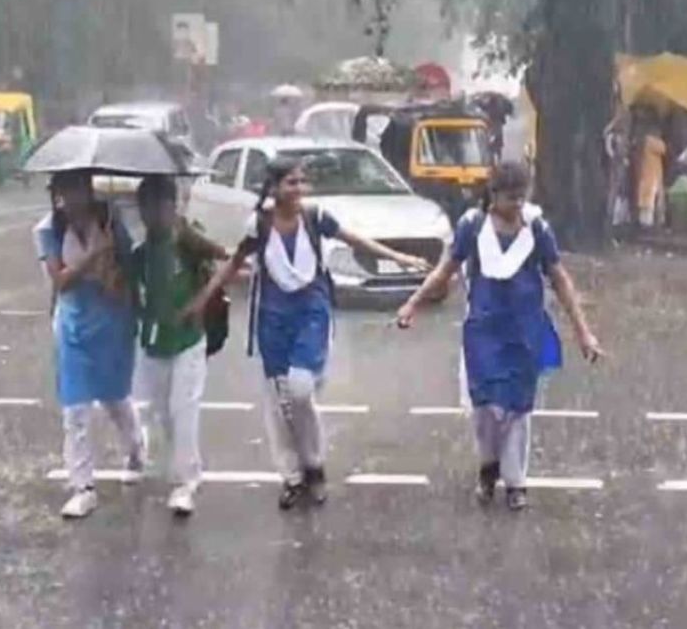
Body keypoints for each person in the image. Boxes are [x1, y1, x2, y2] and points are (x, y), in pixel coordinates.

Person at [184, 156, 431, 510]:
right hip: (272, 322)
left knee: (300, 391)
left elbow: (355, 239)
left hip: (310, 314)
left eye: (302, 182)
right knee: (278, 403)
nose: (299, 189)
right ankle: (292, 477)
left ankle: (314, 464)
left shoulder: (315, 218)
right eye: (291, 183)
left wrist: (399, 257)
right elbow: (234, 265)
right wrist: (201, 301)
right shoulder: (259, 224)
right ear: (273, 188)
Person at [396, 164, 603, 511]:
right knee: (486, 408)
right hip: (484, 332)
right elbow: (445, 270)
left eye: (523, 197)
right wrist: (412, 303)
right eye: (511, 198)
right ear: (493, 195)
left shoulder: (537, 229)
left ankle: (516, 481)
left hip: (524, 331)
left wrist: (583, 331)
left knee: (518, 408)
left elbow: (560, 278)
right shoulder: (472, 227)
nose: (518, 204)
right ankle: (488, 463)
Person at [33, 171, 146, 519]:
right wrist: (94, 255)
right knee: (75, 409)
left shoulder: (112, 222)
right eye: (62, 190)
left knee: (114, 398)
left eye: (76, 188)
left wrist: (115, 271)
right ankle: (83, 487)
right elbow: (61, 280)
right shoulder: (47, 230)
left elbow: (129, 274)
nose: (69, 197)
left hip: (112, 321)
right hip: (73, 324)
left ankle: (137, 449)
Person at [130, 178, 227, 516]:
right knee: (162, 412)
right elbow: (126, 292)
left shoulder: (188, 241)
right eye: (148, 206)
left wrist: (200, 302)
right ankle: (178, 467)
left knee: (182, 409)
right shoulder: (140, 254)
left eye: (162, 205)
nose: (155, 214)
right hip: (154, 344)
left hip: (189, 340)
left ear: (174, 206)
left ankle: (186, 481)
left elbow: (228, 260)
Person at [636, 125, 667, 228]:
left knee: (647, 201)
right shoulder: (650, 141)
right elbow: (663, 148)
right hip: (652, 175)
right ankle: (648, 223)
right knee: (650, 201)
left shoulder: (642, 141)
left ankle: (646, 222)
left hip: (647, 173)